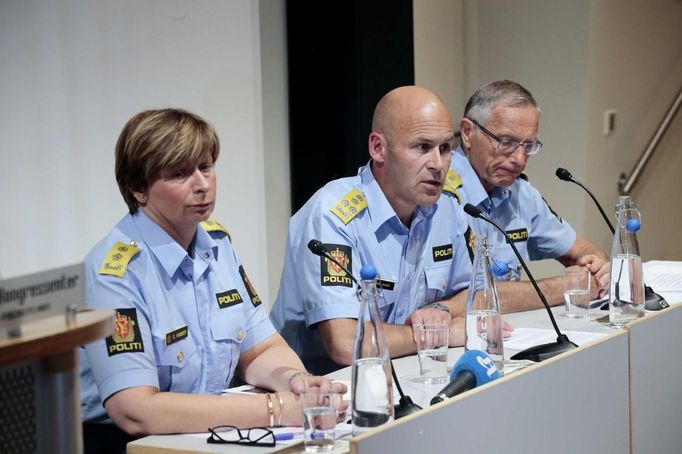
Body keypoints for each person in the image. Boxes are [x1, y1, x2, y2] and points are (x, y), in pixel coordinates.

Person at [80, 108, 346, 453]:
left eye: (205, 167)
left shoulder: (216, 245)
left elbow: (261, 348)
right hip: (130, 444)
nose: (202, 184)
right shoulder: (114, 272)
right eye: (179, 174)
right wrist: (276, 409)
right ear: (138, 189)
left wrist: (297, 383)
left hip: (207, 435)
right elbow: (135, 411)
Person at [270, 86, 483, 375]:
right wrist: (443, 333)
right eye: (422, 147)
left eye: (445, 148)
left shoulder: (448, 209)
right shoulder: (334, 213)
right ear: (378, 148)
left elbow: (478, 296)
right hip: (320, 386)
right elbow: (345, 343)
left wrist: (441, 312)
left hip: (404, 370)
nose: (438, 165)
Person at [443, 80, 609, 313]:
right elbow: (472, 300)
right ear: (468, 133)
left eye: (528, 146)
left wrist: (596, 269)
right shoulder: (436, 191)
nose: (520, 160)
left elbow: (587, 252)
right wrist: (565, 285)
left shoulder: (521, 194)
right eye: (506, 142)